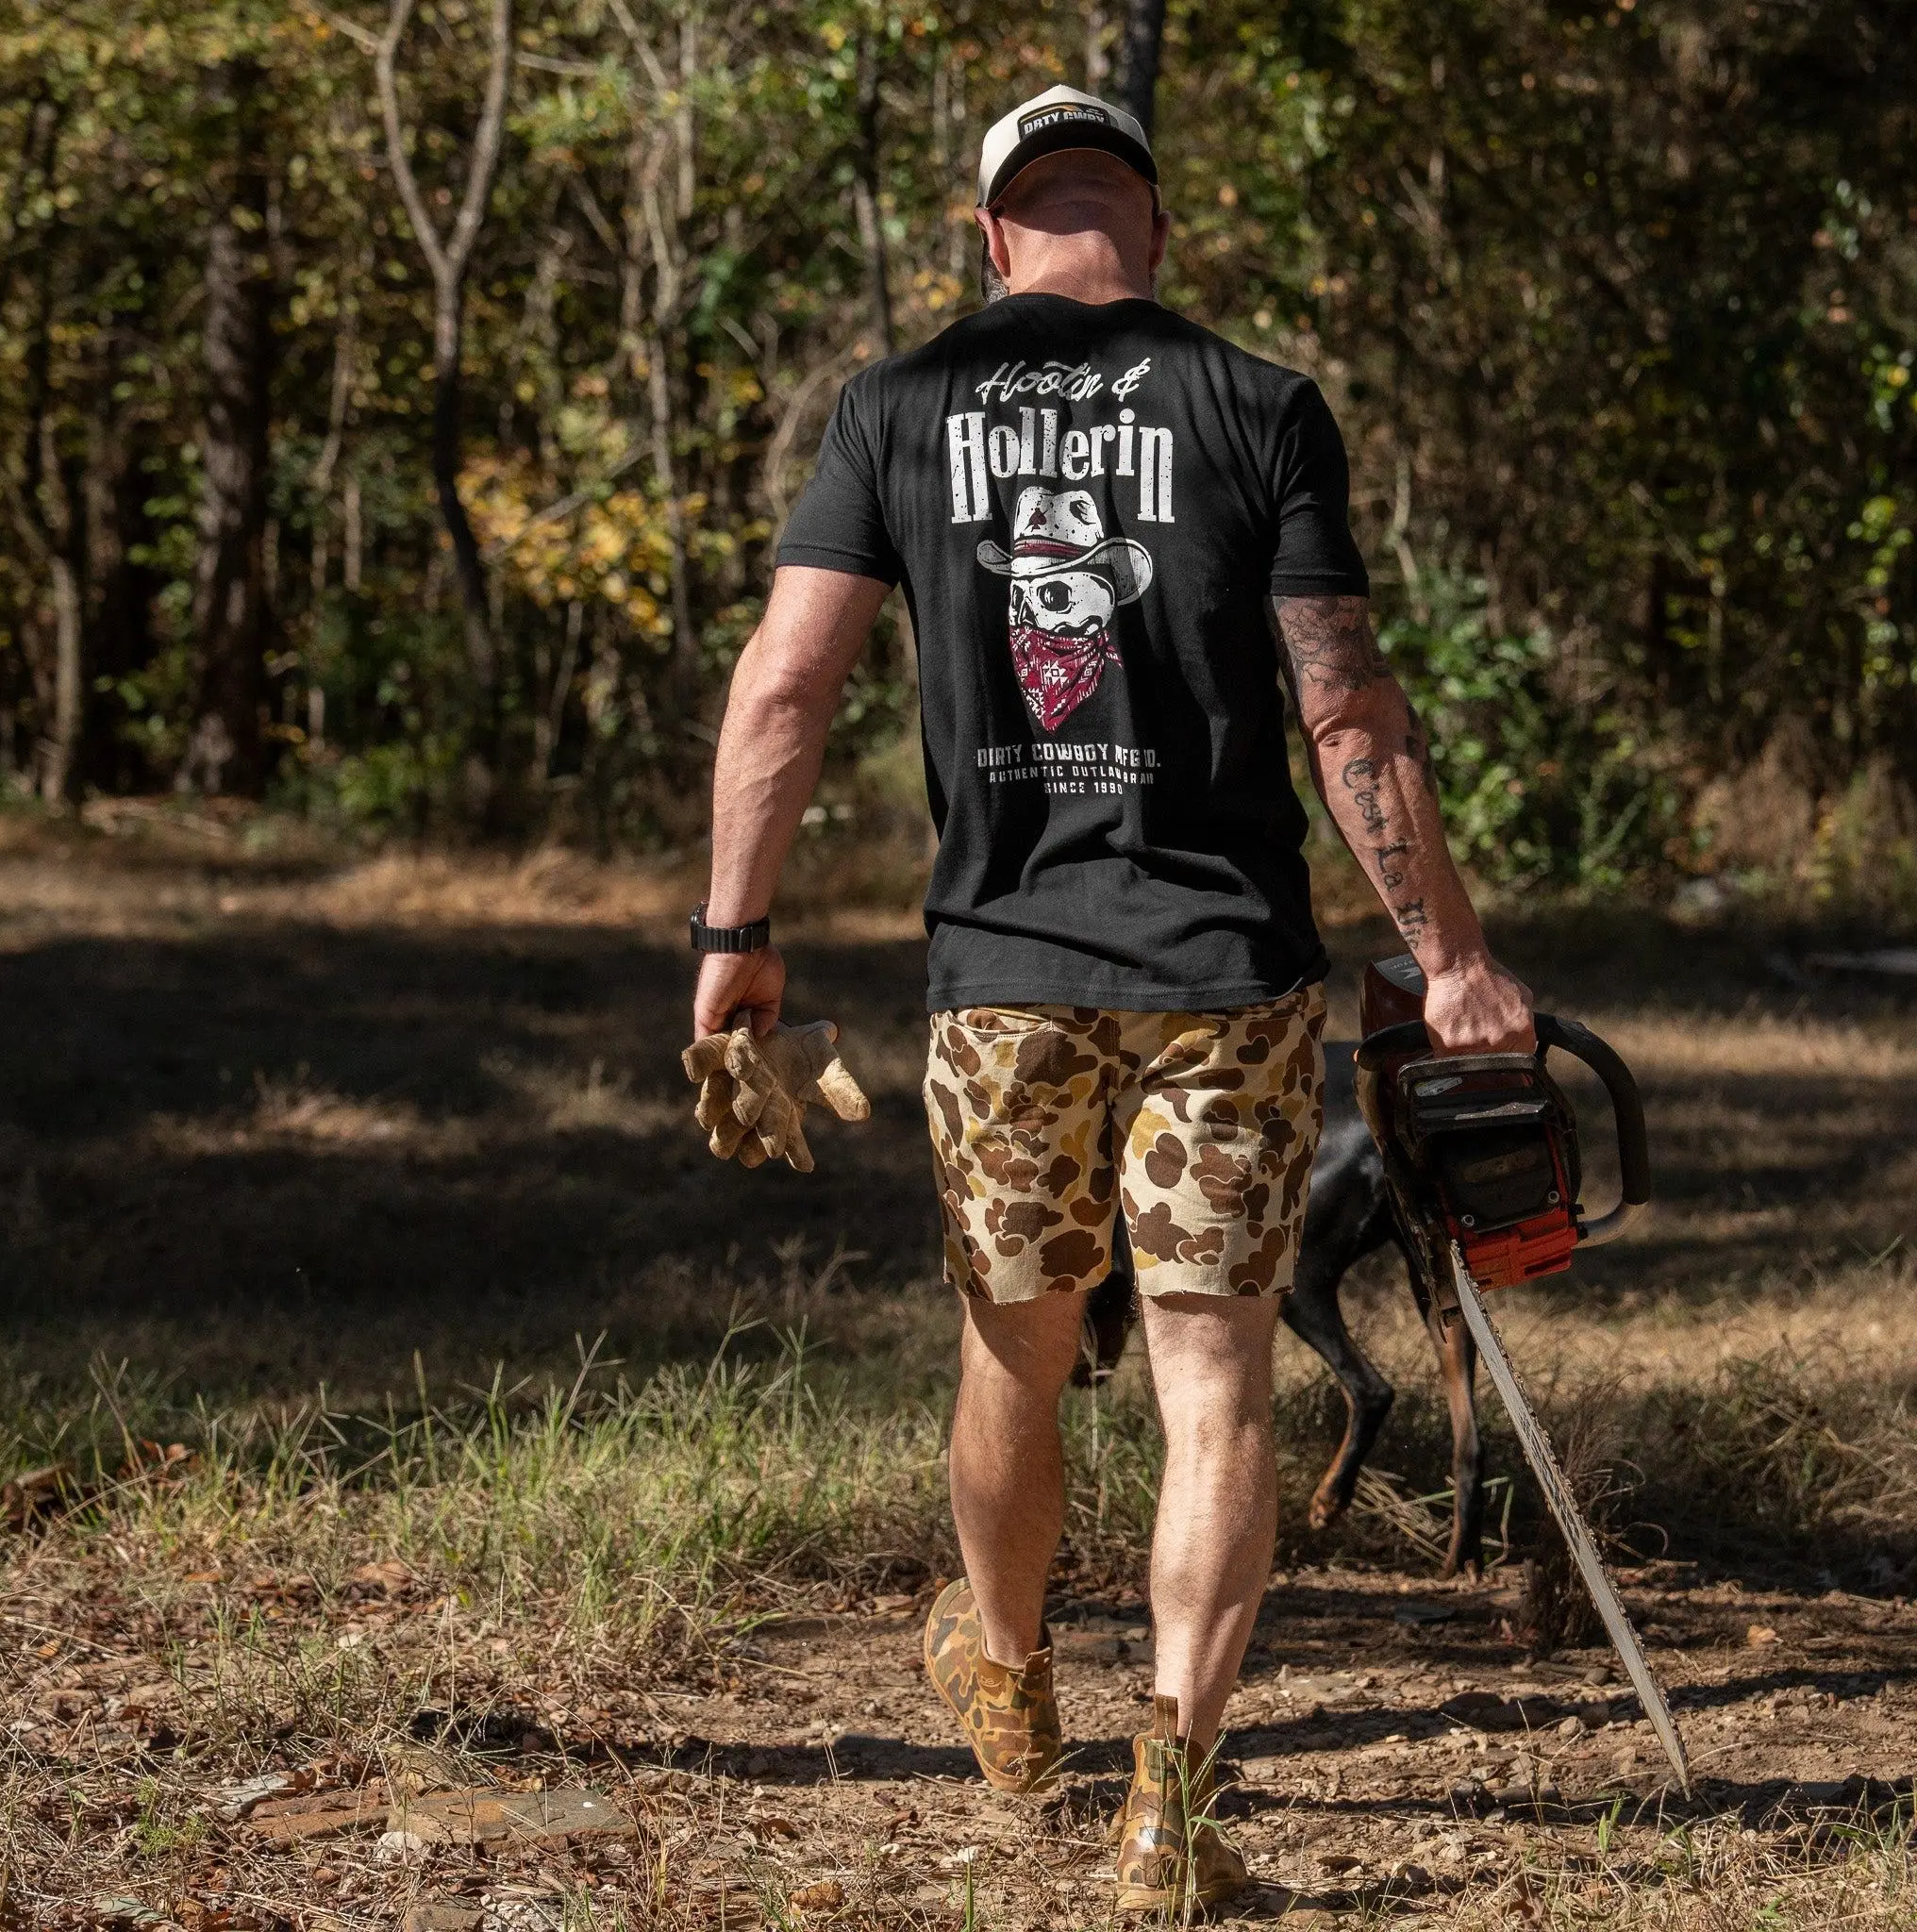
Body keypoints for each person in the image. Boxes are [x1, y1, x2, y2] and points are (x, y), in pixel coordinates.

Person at [689, 83, 1533, 1915]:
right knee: (1214, 1379)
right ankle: (1172, 1808)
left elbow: (785, 685)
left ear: (994, 233)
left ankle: (1008, 1689)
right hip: (1227, 974)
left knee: (1016, 1346)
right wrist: (1453, 954)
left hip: (1002, 976)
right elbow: (1345, 708)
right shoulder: (1256, 402)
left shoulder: (896, 407)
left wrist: (731, 933)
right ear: (1151, 227)